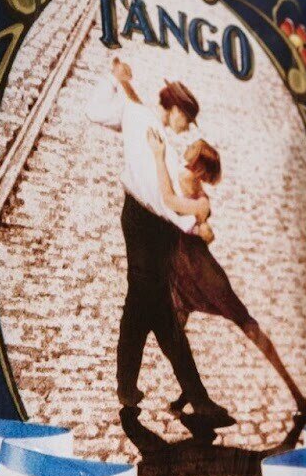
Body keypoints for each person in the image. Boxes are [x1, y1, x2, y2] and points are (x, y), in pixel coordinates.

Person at [85, 57, 232, 430]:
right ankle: (196, 400)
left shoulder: (138, 115)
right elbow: (164, 200)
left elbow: (95, 111)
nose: (188, 125)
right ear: (176, 109)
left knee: (144, 310)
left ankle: (132, 390)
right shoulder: (156, 136)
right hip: (150, 225)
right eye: (188, 117)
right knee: (155, 313)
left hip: (136, 218)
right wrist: (194, 221)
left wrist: (114, 80)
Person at [147, 133, 306, 418]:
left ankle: (299, 398)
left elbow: (168, 199)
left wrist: (158, 157)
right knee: (173, 336)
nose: (187, 153)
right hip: (183, 272)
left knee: (248, 325)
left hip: (203, 276)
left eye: (192, 154)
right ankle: (190, 392)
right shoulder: (190, 185)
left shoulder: (199, 201)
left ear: (199, 169)